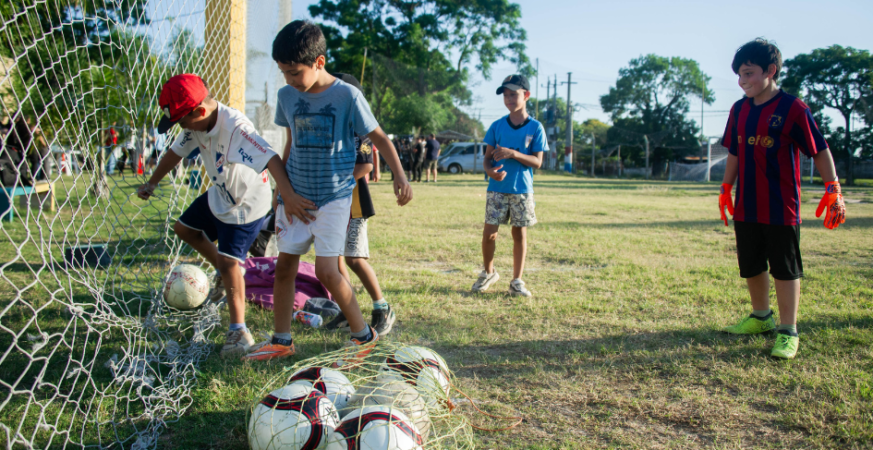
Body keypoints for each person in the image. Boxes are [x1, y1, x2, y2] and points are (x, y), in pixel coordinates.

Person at [244, 21, 411, 366]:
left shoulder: (347, 96)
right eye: (283, 72)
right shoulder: (286, 96)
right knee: (284, 267)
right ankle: (281, 341)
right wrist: (282, 193)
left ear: (319, 62)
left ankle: (363, 336)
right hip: (295, 198)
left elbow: (380, 138)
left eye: (294, 72)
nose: (289, 80)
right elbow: (289, 144)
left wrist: (400, 175)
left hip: (334, 198)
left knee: (327, 271)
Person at [136, 73, 301, 358]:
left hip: (246, 204)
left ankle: (239, 332)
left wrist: (286, 196)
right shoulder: (195, 123)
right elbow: (175, 152)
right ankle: (229, 275)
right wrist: (152, 182)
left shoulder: (237, 129)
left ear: (200, 112)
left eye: (182, 122)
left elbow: (271, 158)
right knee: (184, 229)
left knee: (228, 262)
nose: (182, 128)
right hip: (221, 194)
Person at [719, 38, 845, 359]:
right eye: (739, 75)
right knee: (750, 264)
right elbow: (734, 151)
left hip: (781, 206)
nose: (742, 81)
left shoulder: (793, 108)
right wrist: (725, 189)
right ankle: (761, 317)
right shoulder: (738, 109)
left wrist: (833, 188)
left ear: (770, 71)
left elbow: (819, 149)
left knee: (784, 268)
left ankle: (788, 330)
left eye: (748, 73)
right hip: (747, 204)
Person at [325, 73, 397, 336]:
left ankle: (382, 307)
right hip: (331, 204)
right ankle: (347, 309)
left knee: (354, 258)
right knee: (335, 260)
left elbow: (365, 165)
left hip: (354, 205)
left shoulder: (360, 128)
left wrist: (337, 183)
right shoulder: (330, 126)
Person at [472, 74, 547, 297]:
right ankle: (489, 272)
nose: (509, 99)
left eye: (513, 94)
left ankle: (516, 281)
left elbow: (538, 162)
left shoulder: (535, 127)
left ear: (526, 95)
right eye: (505, 95)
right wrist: (490, 172)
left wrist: (513, 153)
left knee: (519, 235)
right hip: (496, 189)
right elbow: (487, 159)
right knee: (489, 234)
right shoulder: (497, 126)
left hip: (521, 190)